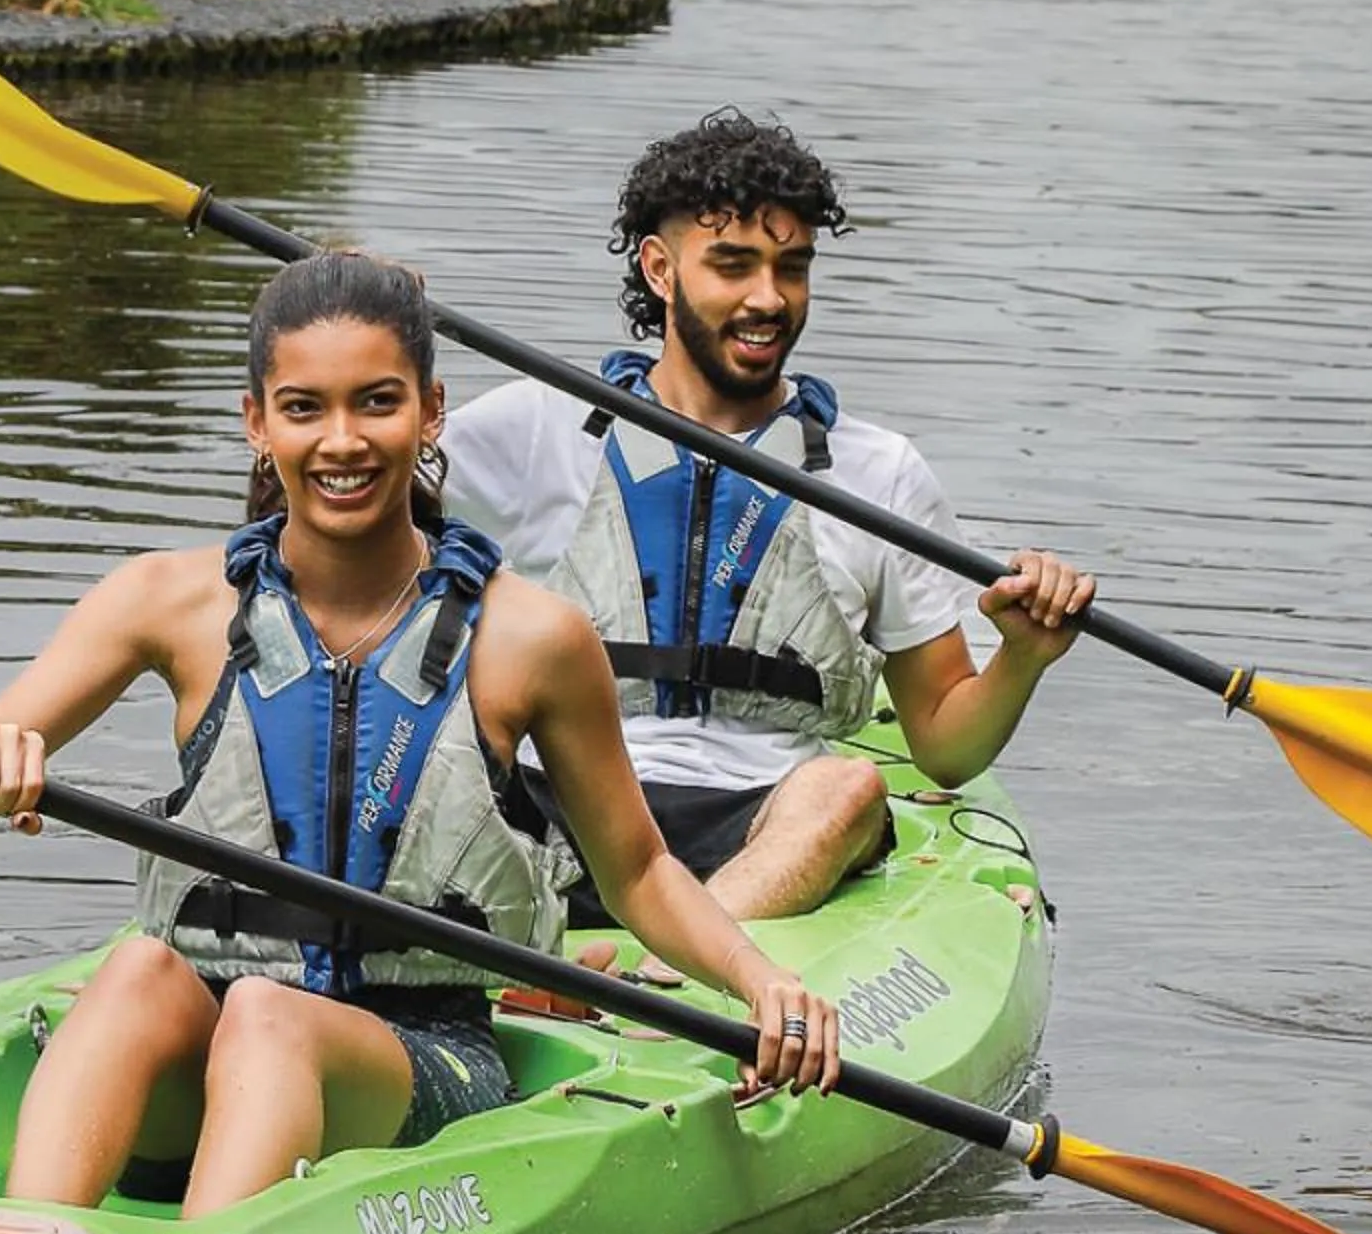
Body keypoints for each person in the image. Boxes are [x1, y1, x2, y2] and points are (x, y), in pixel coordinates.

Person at [0, 249, 842, 1219]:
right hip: (204, 1050)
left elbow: (639, 874)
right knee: (143, 965)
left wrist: (762, 981)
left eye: (378, 403)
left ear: (432, 412)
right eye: (305, 407)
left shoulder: (531, 638)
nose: (342, 441)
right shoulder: (163, 601)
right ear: (257, 424)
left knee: (273, 1018)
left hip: (422, 1065)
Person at [440, 111, 1094, 966]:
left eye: (792, 267)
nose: (769, 299)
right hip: (558, 791)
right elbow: (335, 499)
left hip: (758, 814)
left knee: (849, 788)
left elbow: (941, 748)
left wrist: (1021, 658)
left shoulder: (879, 472)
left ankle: (655, 974)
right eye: (734, 265)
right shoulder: (534, 428)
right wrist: (367, 320)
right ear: (660, 268)